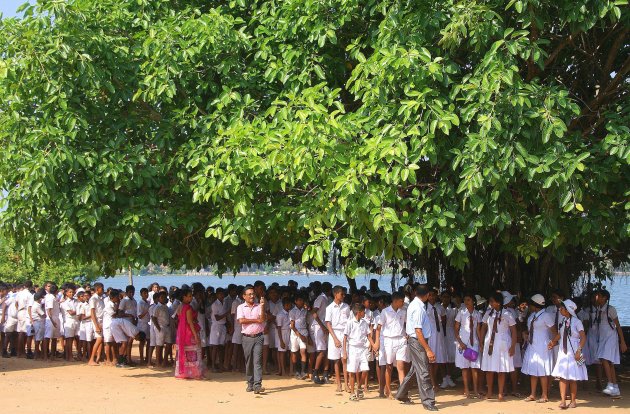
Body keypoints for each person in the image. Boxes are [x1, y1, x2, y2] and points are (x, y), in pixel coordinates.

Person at [395, 284, 438, 411]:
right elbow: (418, 330)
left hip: (416, 340)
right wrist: (428, 349)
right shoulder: (418, 308)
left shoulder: (415, 305)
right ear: (427, 295)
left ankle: (401, 394)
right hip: (418, 341)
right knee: (424, 371)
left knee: (415, 370)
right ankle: (428, 402)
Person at [549, 299, 588, 409]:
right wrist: (553, 342)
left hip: (573, 350)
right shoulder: (564, 321)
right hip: (563, 351)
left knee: (572, 377)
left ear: (567, 310)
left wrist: (579, 350)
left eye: (562, 308)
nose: (560, 309)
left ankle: (573, 400)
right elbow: (560, 335)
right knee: (562, 376)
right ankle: (562, 401)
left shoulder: (577, 322)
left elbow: (583, 336)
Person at [479, 291, 517, 401]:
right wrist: (481, 342)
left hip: (503, 343)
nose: (490, 303)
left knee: (501, 369)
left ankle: (500, 393)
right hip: (490, 342)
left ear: (499, 302)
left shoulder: (507, 314)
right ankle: (490, 392)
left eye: (492, 301)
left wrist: (513, 346)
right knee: (489, 369)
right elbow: (483, 327)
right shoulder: (488, 313)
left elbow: (513, 331)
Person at [521, 293, 556, 403]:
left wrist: (553, 342)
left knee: (542, 371)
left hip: (542, 345)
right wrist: (525, 335)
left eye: (530, 304)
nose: (529, 307)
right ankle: (532, 394)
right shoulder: (532, 316)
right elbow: (530, 329)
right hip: (532, 345)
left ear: (535, 305)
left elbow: (554, 331)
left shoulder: (546, 316)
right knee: (533, 370)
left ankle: (544, 395)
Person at [375, 291, 408, 399]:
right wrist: (377, 342)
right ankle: (388, 391)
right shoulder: (385, 312)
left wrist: (407, 334)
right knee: (388, 366)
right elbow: (378, 328)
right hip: (389, 340)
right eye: (402, 301)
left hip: (401, 340)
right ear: (395, 301)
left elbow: (407, 324)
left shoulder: (403, 311)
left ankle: (403, 392)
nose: (403, 303)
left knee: (401, 366)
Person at [594, 289, 627, 397]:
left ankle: (610, 385)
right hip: (603, 338)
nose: (596, 297)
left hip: (611, 338)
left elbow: (618, 325)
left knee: (605, 359)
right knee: (610, 362)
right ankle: (615, 387)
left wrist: (622, 342)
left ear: (604, 298)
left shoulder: (611, 309)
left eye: (598, 296)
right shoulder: (599, 308)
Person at [236, 285, 266, 394]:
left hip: (258, 337)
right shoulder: (240, 307)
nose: (252, 296)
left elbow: (262, 319)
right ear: (244, 296)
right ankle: (250, 382)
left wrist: (262, 306)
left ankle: (257, 385)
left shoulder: (259, 306)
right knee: (249, 361)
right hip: (247, 338)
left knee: (257, 361)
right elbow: (241, 321)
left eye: (253, 294)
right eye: (249, 294)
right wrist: (255, 320)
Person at [344, 303, 376, 401]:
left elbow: (368, 336)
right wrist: (344, 351)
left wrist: (374, 346)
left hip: (362, 348)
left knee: (365, 370)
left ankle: (359, 388)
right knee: (352, 371)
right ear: (359, 312)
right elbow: (345, 337)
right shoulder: (350, 323)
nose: (364, 314)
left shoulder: (364, 323)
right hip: (353, 348)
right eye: (363, 312)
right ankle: (353, 393)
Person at [454, 293, 482, 399]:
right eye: (465, 299)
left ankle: (475, 390)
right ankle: (466, 390)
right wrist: (460, 342)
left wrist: (480, 343)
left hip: (473, 343)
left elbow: (478, 330)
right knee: (465, 368)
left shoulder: (477, 314)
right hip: (463, 343)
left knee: (474, 368)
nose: (466, 302)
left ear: (473, 301)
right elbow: (456, 328)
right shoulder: (461, 313)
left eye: (469, 299)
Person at [175, 288, 206, 379]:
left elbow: (179, 318)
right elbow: (190, 322)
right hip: (188, 332)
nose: (191, 298)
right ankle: (195, 373)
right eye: (189, 296)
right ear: (184, 297)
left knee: (185, 352)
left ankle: (185, 372)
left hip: (181, 332)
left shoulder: (180, 306)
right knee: (194, 352)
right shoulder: (188, 307)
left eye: (191, 296)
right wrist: (195, 335)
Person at [325, 285, 351, 393]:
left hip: (344, 334)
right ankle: (339, 383)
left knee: (344, 359)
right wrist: (335, 338)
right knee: (336, 360)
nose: (344, 296)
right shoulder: (329, 308)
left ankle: (346, 384)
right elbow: (328, 324)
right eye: (342, 294)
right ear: (336, 294)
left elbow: (349, 321)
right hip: (334, 334)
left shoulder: (346, 307)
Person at [88, 283, 105, 366]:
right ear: (98, 289)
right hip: (97, 321)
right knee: (99, 339)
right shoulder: (93, 299)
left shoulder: (100, 298)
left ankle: (98, 358)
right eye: (102, 288)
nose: (103, 290)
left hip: (102, 321)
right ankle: (91, 359)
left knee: (101, 340)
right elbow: (92, 313)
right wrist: (96, 325)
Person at [43, 284, 61, 362]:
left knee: (54, 338)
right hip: (51, 319)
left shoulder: (54, 297)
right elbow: (49, 310)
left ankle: (52, 355)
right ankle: (45, 356)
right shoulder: (50, 298)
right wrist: (52, 321)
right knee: (47, 337)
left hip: (55, 318)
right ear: (56, 291)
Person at [276, 296, 292, 376]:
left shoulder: (290, 312)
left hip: (289, 332)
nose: (290, 306)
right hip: (282, 333)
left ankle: (289, 369)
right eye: (289, 305)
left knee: (289, 351)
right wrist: (281, 340)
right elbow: (278, 328)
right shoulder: (280, 314)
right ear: (285, 305)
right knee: (282, 352)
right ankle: (282, 369)